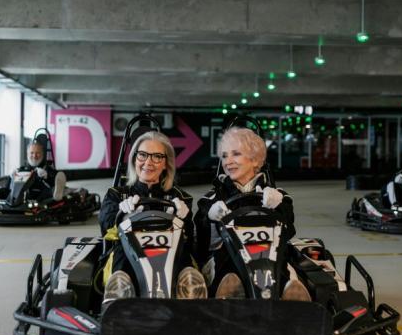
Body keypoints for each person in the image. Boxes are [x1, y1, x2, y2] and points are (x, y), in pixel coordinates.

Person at [193, 126, 311, 301]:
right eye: (224, 156)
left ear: (255, 160)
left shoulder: (277, 195)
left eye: (236, 154)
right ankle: (229, 297)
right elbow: (201, 245)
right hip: (227, 257)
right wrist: (209, 218)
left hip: (268, 256)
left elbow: (288, 231)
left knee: (283, 267)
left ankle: (291, 296)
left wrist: (278, 208)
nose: (228, 161)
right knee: (227, 271)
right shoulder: (211, 199)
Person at [98, 130, 206, 307]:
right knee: (121, 254)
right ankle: (118, 298)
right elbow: (106, 230)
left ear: (166, 163)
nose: (148, 162)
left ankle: (190, 299)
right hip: (128, 255)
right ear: (134, 159)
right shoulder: (117, 194)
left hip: (169, 253)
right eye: (143, 155)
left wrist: (184, 219)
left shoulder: (179, 197)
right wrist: (122, 215)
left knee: (185, 255)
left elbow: (190, 238)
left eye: (157, 157)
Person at [0, 138, 66, 203]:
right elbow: (8, 188)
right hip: (20, 195)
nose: (34, 155)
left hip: (38, 196)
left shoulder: (48, 170)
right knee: (5, 192)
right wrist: (11, 178)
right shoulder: (21, 169)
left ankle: (55, 193)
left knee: (48, 193)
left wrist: (47, 177)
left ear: (42, 154)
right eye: (32, 153)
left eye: (38, 153)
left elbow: (57, 179)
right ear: (27, 154)